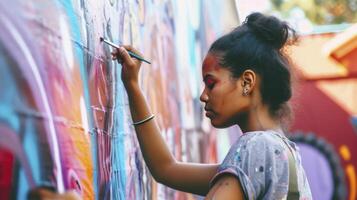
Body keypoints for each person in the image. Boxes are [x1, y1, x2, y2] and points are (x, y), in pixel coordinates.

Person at [112, 12, 312, 200]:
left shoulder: (256, 146)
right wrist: (132, 85)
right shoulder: (283, 153)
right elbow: (166, 169)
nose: (203, 96)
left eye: (211, 83)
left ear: (247, 82)